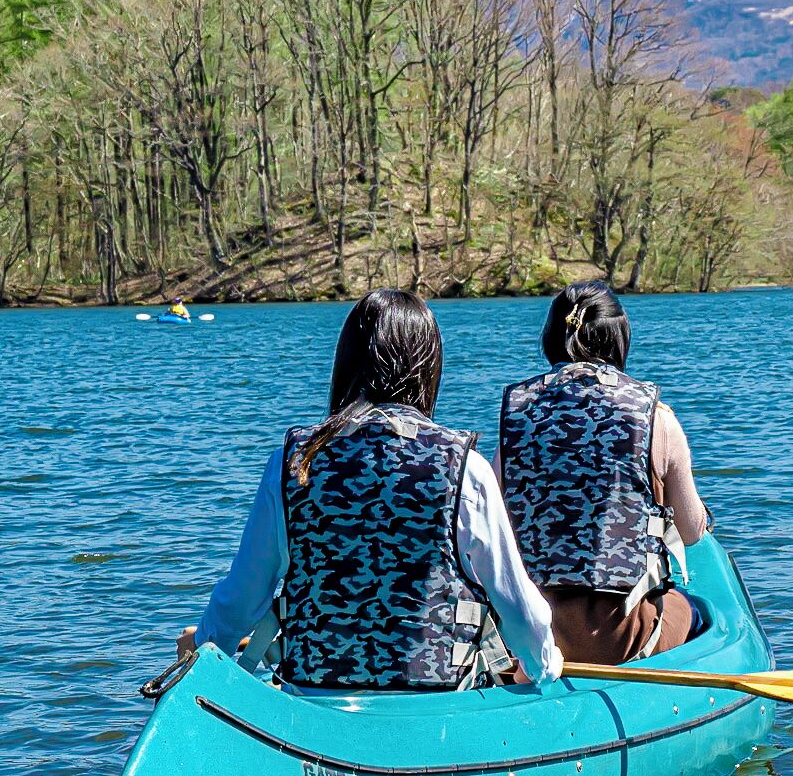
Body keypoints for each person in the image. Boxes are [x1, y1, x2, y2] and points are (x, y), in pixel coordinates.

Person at [179, 288, 564, 689]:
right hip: (436, 703)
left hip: (315, 697)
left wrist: (205, 650)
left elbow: (241, 600)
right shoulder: (466, 468)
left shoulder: (293, 462)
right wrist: (542, 664)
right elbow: (520, 610)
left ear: (345, 363)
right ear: (429, 367)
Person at [496, 281, 709, 666]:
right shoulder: (655, 417)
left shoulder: (515, 417)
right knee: (696, 610)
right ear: (619, 338)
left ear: (551, 337)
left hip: (529, 635)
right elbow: (693, 532)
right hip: (622, 636)